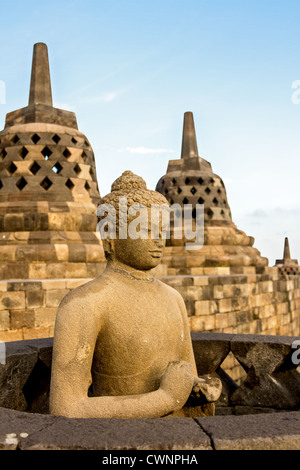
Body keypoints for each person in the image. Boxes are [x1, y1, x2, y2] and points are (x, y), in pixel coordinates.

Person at [49, 171, 221, 418]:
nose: (159, 240)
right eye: (146, 230)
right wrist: (163, 400)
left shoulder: (174, 299)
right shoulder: (84, 304)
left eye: (162, 230)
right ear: (111, 237)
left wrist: (198, 389)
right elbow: (66, 409)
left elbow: (184, 377)